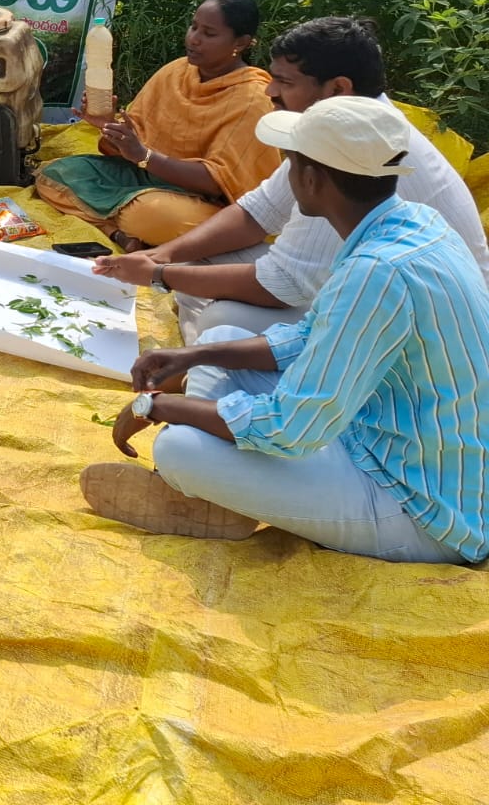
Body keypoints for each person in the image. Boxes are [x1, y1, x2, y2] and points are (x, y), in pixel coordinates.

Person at [80, 96, 489, 565]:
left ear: (310, 179)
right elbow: (308, 337)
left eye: (289, 165)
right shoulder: (412, 224)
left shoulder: (376, 270)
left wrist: (158, 405)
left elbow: (291, 428)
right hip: (391, 442)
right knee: (216, 341)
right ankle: (210, 497)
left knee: (177, 448)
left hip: (426, 512)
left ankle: (199, 489)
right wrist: (193, 359)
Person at [92, 17, 489, 340]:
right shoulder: (343, 127)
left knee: (222, 323)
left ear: (338, 88)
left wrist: (160, 274)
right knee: (196, 269)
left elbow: (283, 283)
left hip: (417, 333)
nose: (270, 92)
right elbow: (258, 211)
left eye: (284, 82)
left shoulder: (356, 151)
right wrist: (163, 257)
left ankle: (195, 373)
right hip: (357, 297)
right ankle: (198, 365)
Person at [34, 0, 279, 248]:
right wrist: (108, 126)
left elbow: (219, 183)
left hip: (200, 201)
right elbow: (133, 143)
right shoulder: (175, 71)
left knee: (151, 214)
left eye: (209, 33)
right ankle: (118, 233)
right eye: (194, 27)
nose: (194, 39)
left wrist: (144, 155)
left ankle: (119, 225)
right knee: (55, 174)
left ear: (240, 43)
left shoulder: (252, 98)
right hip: (143, 176)